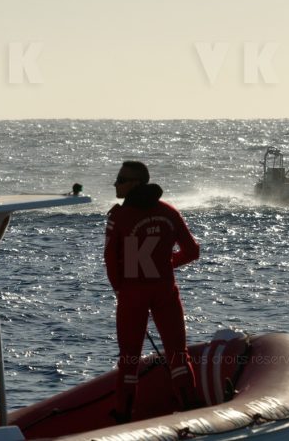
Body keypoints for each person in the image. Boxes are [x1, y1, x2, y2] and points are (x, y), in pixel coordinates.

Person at [104, 161, 200, 423]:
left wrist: (120, 288)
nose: (115, 183)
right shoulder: (169, 212)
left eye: (121, 179)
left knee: (129, 358)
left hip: (132, 294)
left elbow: (111, 261)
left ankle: (124, 414)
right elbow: (192, 251)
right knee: (178, 353)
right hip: (165, 291)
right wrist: (165, 265)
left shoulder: (119, 217)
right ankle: (190, 405)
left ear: (135, 184)